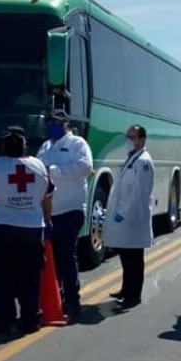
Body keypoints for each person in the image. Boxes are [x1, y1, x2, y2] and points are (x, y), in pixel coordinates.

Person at [0, 126, 53, 335]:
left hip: (0, 229)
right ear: (24, 144)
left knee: (2, 277)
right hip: (31, 229)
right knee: (29, 276)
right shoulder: (39, 165)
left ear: (3, 146)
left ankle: (5, 321)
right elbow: (48, 198)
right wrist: (48, 221)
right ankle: (31, 319)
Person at [37, 110, 94, 321]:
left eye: (57, 122)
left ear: (66, 124)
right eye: (50, 121)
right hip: (47, 212)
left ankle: (72, 302)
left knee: (67, 257)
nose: (52, 125)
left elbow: (85, 166)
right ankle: (54, 300)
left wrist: (53, 170)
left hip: (70, 210)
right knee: (50, 260)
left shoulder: (77, 143)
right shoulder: (45, 146)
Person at [103, 125, 155, 310]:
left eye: (132, 137)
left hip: (133, 218)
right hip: (125, 218)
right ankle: (126, 289)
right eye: (127, 136)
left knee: (134, 259)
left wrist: (123, 213)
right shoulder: (132, 158)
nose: (128, 140)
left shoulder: (144, 162)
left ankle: (134, 296)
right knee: (125, 256)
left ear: (142, 140)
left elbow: (139, 193)